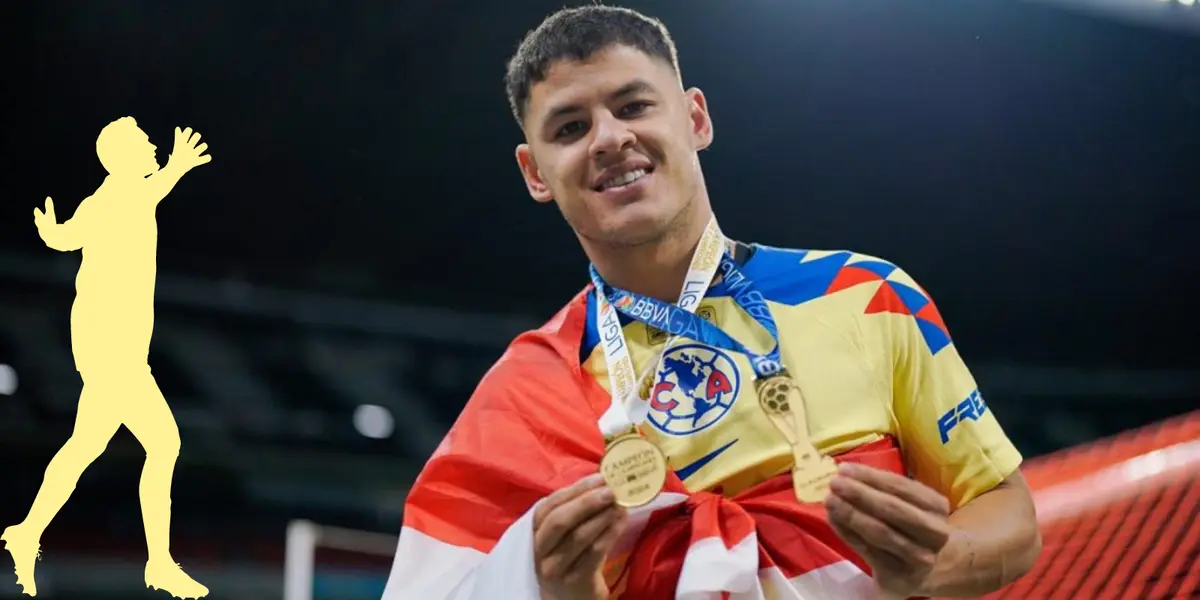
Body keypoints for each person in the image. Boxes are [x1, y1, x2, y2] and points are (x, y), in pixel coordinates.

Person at [381, 6, 1041, 600]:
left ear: (695, 118)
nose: (608, 138)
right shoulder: (524, 394)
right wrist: (562, 593)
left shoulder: (864, 295)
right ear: (535, 172)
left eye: (634, 105)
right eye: (571, 126)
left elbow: (1007, 514)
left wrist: (935, 566)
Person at [4, 118, 210, 599]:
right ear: (123, 157)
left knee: (86, 446)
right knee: (163, 444)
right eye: (143, 141)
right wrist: (178, 165)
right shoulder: (122, 196)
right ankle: (157, 563)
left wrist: (51, 231)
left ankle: (27, 531)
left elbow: (66, 238)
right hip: (112, 349)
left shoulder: (101, 203)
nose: (151, 144)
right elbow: (151, 191)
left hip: (111, 347)